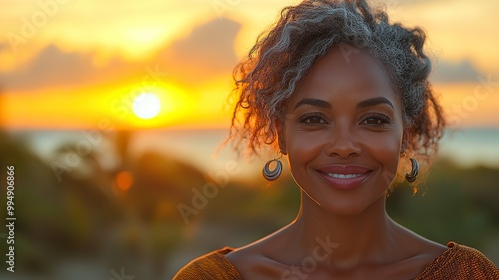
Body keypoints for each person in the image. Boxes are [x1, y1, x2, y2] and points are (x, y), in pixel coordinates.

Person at [174, 0, 499, 279]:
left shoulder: (467, 274)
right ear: (281, 133)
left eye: (373, 120)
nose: (344, 145)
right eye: (314, 119)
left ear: (407, 134)